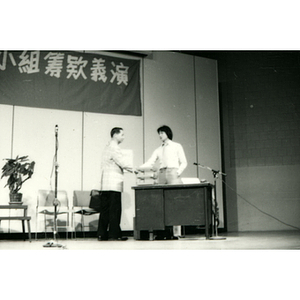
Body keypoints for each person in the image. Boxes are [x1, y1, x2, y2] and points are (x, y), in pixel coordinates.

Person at [138, 125, 187, 239]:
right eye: (159, 133)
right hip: (161, 173)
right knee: (161, 202)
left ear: (167, 133)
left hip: (173, 172)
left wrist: (177, 173)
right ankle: (164, 232)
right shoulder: (158, 149)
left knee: (175, 202)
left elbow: (184, 162)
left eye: (162, 133)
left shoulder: (176, 146)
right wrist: (139, 168)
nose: (160, 135)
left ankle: (176, 233)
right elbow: (150, 162)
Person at [97, 127, 134, 241]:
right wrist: (135, 169)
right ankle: (114, 234)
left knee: (105, 210)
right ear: (115, 135)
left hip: (105, 184)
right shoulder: (115, 147)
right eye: (122, 134)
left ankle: (102, 234)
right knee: (115, 210)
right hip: (114, 183)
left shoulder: (107, 147)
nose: (123, 137)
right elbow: (122, 162)